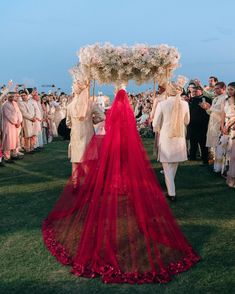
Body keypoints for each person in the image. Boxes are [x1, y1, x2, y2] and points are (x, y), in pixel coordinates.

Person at [42, 88, 200, 284]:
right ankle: (128, 186)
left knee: (112, 166)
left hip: (114, 143)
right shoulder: (127, 113)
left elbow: (107, 125)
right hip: (127, 144)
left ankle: (113, 185)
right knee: (127, 165)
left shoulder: (109, 112)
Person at [153, 77, 190, 200]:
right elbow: (187, 121)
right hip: (179, 136)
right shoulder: (185, 104)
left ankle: (171, 193)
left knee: (167, 165)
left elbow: (155, 123)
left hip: (166, 136)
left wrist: (158, 130)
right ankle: (171, 188)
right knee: (173, 163)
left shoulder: (162, 104)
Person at [66, 81, 105, 187]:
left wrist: (74, 125)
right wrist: (92, 121)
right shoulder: (90, 104)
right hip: (88, 134)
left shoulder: (70, 106)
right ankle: (90, 183)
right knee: (86, 161)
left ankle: (75, 183)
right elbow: (102, 116)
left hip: (75, 135)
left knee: (75, 160)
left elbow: (68, 123)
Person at [200, 82, 227, 172]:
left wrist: (210, 107)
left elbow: (223, 112)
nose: (215, 90)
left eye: (218, 88)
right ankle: (216, 166)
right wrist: (206, 108)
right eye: (215, 89)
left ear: (224, 88)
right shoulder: (216, 98)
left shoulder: (225, 98)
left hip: (220, 123)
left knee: (219, 147)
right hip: (212, 123)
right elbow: (211, 112)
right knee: (215, 147)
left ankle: (220, 168)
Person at [188, 86, 212, 164]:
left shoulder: (207, 99)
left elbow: (209, 110)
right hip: (192, 124)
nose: (194, 92)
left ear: (201, 91)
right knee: (193, 142)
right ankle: (192, 156)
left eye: (196, 91)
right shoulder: (191, 100)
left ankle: (205, 158)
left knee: (203, 142)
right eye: (193, 91)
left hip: (203, 124)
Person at [220, 82, 235, 187]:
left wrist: (230, 124)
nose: (229, 91)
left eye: (232, 89)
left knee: (234, 154)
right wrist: (222, 126)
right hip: (226, 127)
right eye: (228, 89)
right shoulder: (225, 101)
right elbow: (222, 114)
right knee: (227, 153)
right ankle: (227, 173)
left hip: (233, 127)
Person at [1, 93, 22, 163]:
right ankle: (7, 157)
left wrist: (19, 121)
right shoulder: (5, 105)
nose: (11, 98)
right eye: (10, 96)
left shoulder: (15, 104)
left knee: (15, 140)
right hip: (8, 125)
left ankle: (14, 155)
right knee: (8, 141)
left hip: (15, 125)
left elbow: (18, 113)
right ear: (7, 97)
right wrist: (16, 122)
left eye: (12, 96)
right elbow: (8, 115)